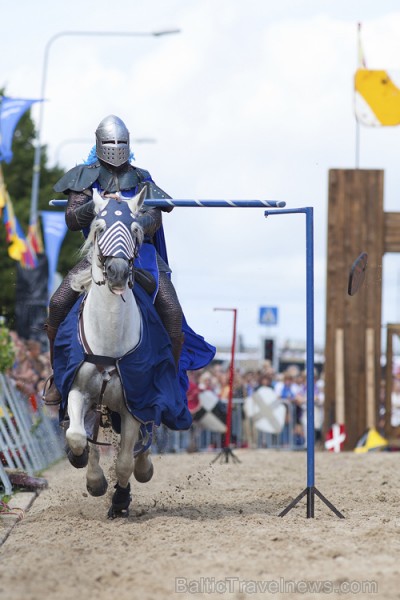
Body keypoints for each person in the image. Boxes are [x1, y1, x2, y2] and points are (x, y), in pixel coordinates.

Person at [43, 115, 184, 405]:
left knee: (172, 313)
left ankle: (167, 386)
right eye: (110, 142)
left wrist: (132, 221)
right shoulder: (84, 176)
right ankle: (57, 377)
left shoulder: (142, 177)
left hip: (139, 254)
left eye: (121, 142)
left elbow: (154, 217)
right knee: (57, 303)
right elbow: (71, 217)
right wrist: (99, 211)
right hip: (101, 254)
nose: (115, 147)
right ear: (98, 143)